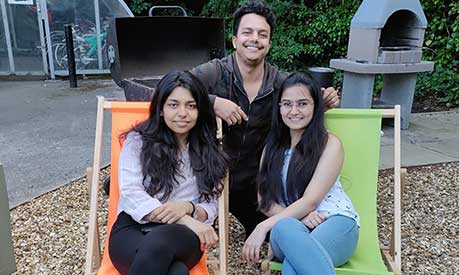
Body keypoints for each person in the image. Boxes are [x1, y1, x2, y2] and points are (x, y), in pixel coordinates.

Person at [191, 0, 340, 236]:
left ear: (269, 44)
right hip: (207, 177)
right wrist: (213, 102)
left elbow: (306, 95)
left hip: (253, 185)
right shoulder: (214, 72)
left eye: (262, 34)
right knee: (194, 234)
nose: (254, 39)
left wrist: (326, 98)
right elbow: (167, 92)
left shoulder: (280, 82)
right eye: (247, 32)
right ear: (234, 40)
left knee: (279, 232)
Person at [109, 71, 228, 275]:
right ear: (161, 109)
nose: (182, 113)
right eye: (173, 105)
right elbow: (131, 193)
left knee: (157, 242)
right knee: (177, 272)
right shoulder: (138, 142)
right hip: (132, 228)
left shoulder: (210, 151)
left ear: (200, 111)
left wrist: (188, 207)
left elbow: (210, 205)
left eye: (191, 105)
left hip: (184, 236)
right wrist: (184, 217)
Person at [242, 72, 359, 274]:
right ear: (279, 108)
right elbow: (265, 200)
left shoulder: (329, 144)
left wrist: (262, 227)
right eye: (287, 104)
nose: (294, 111)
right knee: (284, 228)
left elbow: (311, 201)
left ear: (315, 107)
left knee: (293, 265)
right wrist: (298, 219)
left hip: (335, 222)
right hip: (290, 229)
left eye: (303, 104)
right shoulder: (271, 148)